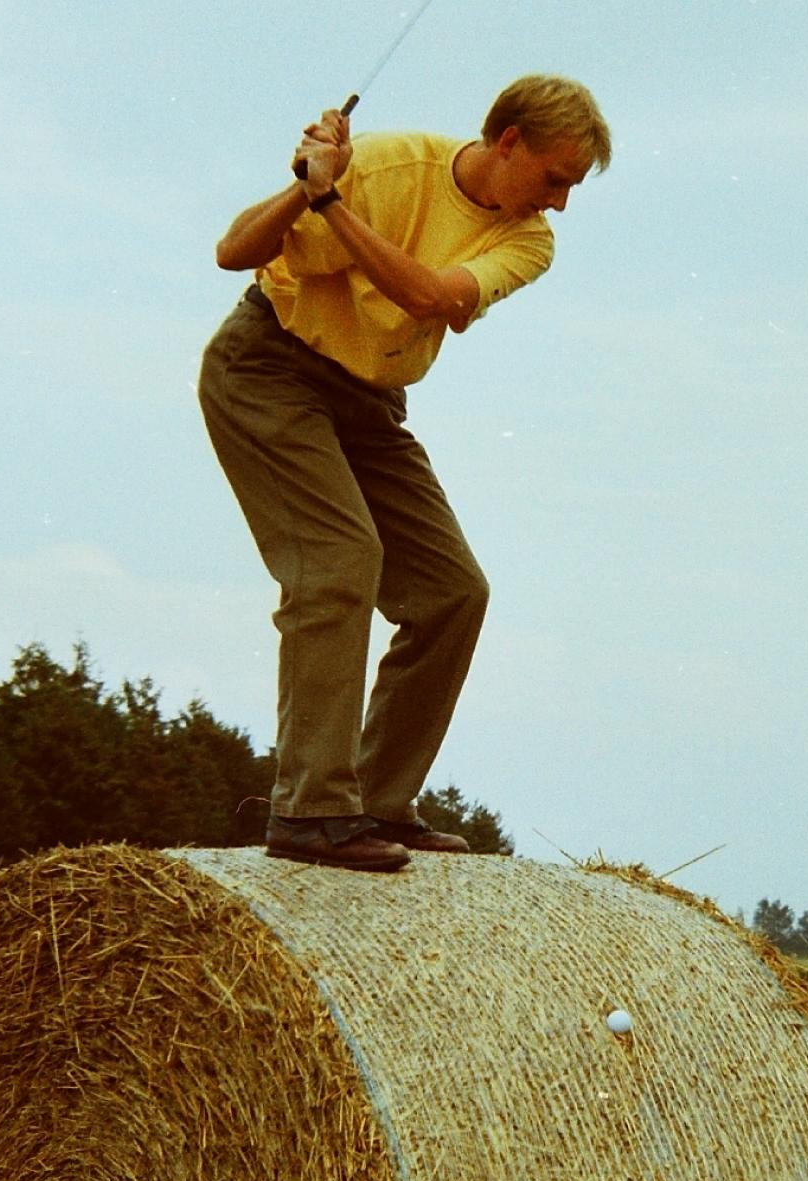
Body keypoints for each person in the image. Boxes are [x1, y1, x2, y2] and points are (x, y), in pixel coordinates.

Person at [199, 75, 610, 873]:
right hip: (268, 368)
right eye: (555, 178)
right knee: (340, 563)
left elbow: (429, 299)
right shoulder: (389, 166)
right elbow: (231, 254)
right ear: (509, 141)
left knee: (454, 592)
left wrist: (331, 207)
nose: (560, 203)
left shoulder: (529, 242)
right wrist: (304, 187)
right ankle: (312, 809)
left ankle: (377, 801)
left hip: (371, 402)